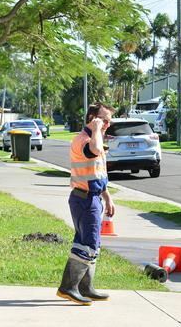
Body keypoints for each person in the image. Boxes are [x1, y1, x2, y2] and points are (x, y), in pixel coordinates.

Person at [57, 103, 116, 305]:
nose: (108, 124)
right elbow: (95, 150)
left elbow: (98, 173)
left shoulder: (95, 137)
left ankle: (85, 287)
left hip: (93, 197)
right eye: (104, 119)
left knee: (91, 243)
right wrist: (97, 128)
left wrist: (107, 197)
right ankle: (68, 287)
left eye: (109, 120)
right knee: (87, 244)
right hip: (83, 198)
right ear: (92, 117)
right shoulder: (83, 140)